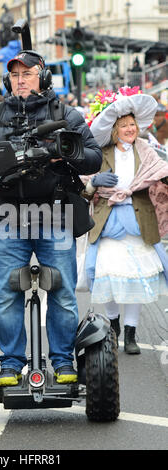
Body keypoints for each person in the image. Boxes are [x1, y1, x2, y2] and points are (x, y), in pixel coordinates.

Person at [0, 50, 102, 386]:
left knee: (63, 292)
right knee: (6, 294)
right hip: (8, 214)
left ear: (43, 76)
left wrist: (66, 152)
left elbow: (94, 158)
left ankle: (64, 360)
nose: (20, 80)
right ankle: (10, 364)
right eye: (15, 75)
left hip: (55, 212)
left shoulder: (65, 113)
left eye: (27, 74)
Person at [84, 87, 168, 354]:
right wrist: (94, 183)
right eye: (124, 125)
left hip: (138, 220)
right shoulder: (100, 152)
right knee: (106, 277)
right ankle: (113, 325)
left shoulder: (146, 149)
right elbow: (82, 184)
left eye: (133, 124)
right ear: (114, 129)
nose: (130, 129)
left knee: (135, 279)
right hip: (106, 222)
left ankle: (130, 334)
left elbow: (160, 172)